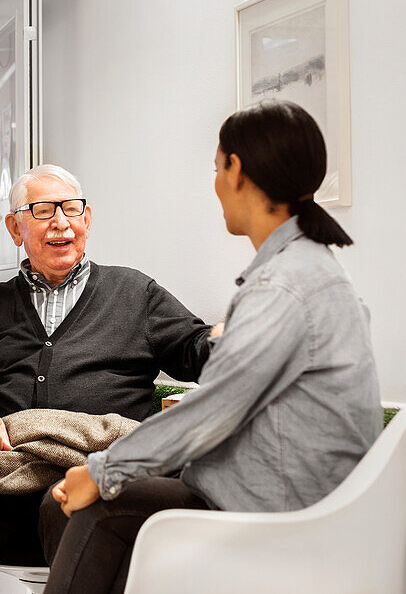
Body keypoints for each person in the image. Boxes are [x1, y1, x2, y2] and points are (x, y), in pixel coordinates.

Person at [44, 100, 382, 594]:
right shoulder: (309, 269)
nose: (216, 183)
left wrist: (103, 469)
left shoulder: (284, 285)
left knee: (97, 504)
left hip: (283, 512)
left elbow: (213, 408)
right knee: (95, 502)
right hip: (297, 498)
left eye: (216, 167)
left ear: (236, 169)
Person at [0, 164, 218, 594]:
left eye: (71, 209)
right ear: (15, 227)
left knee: (63, 503)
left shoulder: (135, 294)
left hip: (82, 477)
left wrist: (230, 336)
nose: (61, 222)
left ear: (87, 219)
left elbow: (197, 350)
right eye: (43, 210)